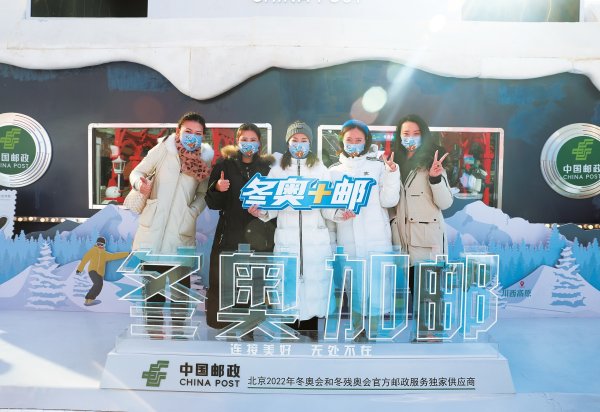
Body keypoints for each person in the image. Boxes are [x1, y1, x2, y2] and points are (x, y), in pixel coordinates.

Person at [129, 111, 213, 337]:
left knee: (180, 291)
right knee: (152, 290)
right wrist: (139, 184)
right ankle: (155, 334)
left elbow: (203, 194)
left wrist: (192, 212)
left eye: (198, 134)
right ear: (178, 131)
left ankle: (178, 333)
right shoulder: (163, 150)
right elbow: (137, 171)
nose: (193, 137)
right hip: (153, 232)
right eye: (188, 131)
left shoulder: (204, 160)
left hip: (181, 232)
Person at [250, 121, 336, 336]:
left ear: (310, 143)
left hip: (314, 242)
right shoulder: (277, 170)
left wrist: (339, 214)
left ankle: (311, 337)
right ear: (288, 143)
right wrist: (260, 212)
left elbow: (328, 207)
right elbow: (270, 207)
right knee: (288, 292)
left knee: (314, 292)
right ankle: (289, 340)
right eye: (295, 140)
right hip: (287, 240)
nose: (299, 144)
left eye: (304, 140)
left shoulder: (320, 169)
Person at [328, 119, 400, 340]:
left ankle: (375, 331)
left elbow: (389, 200)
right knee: (355, 288)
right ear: (342, 141)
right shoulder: (334, 172)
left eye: (358, 139)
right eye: (349, 139)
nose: (353, 143)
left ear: (366, 141)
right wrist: (338, 215)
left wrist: (391, 173)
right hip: (348, 240)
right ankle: (358, 330)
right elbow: (327, 208)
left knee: (377, 288)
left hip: (376, 239)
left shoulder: (378, 167)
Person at [204, 123, 275, 330]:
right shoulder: (224, 165)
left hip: (258, 235)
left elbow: (273, 203)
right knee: (226, 279)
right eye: (244, 140)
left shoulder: (267, 169)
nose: (248, 144)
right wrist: (218, 188)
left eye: (253, 140)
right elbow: (212, 202)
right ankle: (223, 322)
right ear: (237, 141)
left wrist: (263, 211)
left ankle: (251, 325)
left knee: (253, 280)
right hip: (230, 233)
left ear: (260, 143)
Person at [390, 114, 452, 336]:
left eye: (416, 134)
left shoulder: (432, 164)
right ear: (399, 136)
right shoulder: (394, 164)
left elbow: (445, 202)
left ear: (423, 136)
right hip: (404, 241)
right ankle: (423, 336)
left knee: (429, 296)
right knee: (415, 294)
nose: (411, 138)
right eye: (406, 133)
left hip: (427, 241)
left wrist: (435, 178)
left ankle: (432, 338)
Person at [76, 236, 129, 306]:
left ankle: (89, 299)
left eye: (102, 244)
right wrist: (79, 269)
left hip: (100, 273)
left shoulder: (105, 254)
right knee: (97, 283)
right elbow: (85, 259)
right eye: (98, 244)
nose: (100, 246)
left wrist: (127, 254)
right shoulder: (93, 250)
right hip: (92, 270)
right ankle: (89, 298)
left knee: (99, 285)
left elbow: (114, 256)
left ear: (104, 245)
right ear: (96, 244)